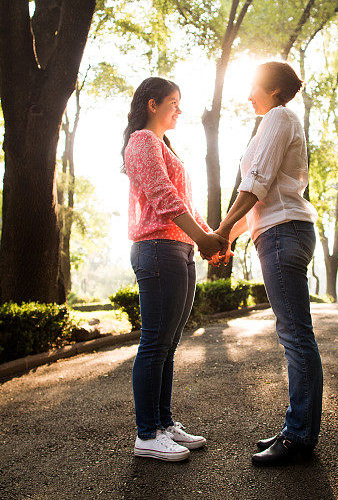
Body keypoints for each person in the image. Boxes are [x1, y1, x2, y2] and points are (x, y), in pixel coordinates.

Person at [214, 61, 323, 466]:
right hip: (280, 232)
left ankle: (298, 436)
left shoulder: (277, 116)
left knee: (295, 336)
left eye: (254, 88)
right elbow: (260, 197)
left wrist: (222, 231)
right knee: (294, 334)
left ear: (274, 90)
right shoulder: (279, 120)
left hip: (283, 235)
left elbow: (255, 183)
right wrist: (230, 234)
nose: (248, 97)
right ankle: (298, 429)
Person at [122, 77, 228, 462]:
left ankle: (164, 424)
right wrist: (203, 239)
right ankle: (146, 435)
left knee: (168, 343)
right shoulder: (143, 141)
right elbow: (164, 198)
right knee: (155, 343)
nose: (179, 109)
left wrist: (209, 236)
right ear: (153, 104)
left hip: (179, 249)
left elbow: (185, 201)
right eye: (173, 102)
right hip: (157, 248)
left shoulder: (163, 146)